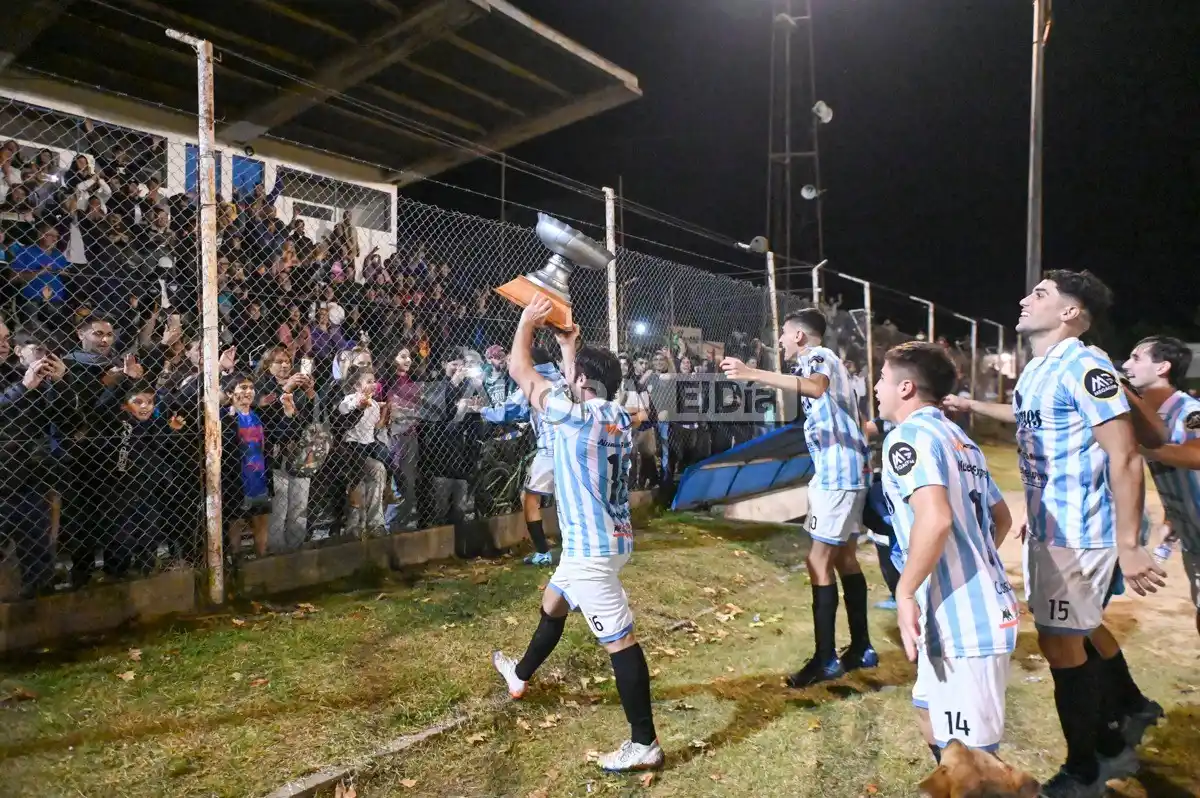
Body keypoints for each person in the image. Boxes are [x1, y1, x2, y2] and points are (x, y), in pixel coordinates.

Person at [943, 270, 1165, 796]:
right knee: (1079, 629)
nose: (1025, 299)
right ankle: (1129, 709)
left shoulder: (1085, 364)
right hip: (1051, 529)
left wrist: (1129, 547)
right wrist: (972, 406)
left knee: (1060, 644)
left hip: (1081, 533)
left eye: (1039, 294)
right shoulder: (1039, 370)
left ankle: (1088, 765)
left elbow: (1126, 455)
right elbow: (1029, 417)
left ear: (1070, 312)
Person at [491, 294, 661, 773]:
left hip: (591, 552)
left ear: (581, 382)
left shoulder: (572, 417)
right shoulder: (616, 416)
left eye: (574, 376)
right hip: (609, 539)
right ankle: (519, 675)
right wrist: (571, 348)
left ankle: (643, 741)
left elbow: (521, 370)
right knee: (553, 603)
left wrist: (526, 323)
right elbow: (576, 387)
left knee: (620, 642)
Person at [876, 342, 1017, 762]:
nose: (876, 388)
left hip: (966, 626)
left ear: (905, 388)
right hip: (967, 613)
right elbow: (1002, 518)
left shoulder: (909, 437)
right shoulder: (960, 439)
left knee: (971, 765)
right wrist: (971, 559)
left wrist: (904, 592)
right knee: (928, 714)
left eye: (882, 379)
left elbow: (934, 519)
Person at [720, 308, 876, 687]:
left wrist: (752, 372)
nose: (782, 343)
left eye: (785, 336)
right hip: (848, 472)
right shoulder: (826, 363)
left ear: (801, 337)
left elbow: (816, 387)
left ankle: (825, 660)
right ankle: (861, 647)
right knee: (844, 558)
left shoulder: (818, 358)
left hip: (838, 476)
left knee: (817, 559)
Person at [1121, 336, 1200, 637]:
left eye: (1136, 358)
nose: (1127, 365)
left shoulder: (1189, 411)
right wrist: (1172, 519)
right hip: (1193, 536)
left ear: (1163, 367)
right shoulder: (1147, 418)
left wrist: (1141, 449)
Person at [480, 345, 565, 566]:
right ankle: (578, 547)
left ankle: (543, 553)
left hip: (550, 450)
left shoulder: (531, 382)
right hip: (572, 448)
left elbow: (505, 412)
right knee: (568, 500)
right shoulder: (562, 379)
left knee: (529, 499)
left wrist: (481, 409)